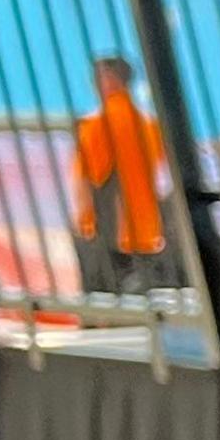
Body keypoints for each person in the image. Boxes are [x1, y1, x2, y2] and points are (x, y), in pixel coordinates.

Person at [69, 51, 175, 297]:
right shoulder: (150, 127)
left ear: (111, 79)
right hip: (148, 233)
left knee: (105, 303)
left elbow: (86, 181)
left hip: (110, 236)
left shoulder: (97, 126)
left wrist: (83, 226)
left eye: (97, 77)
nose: (93, 84)